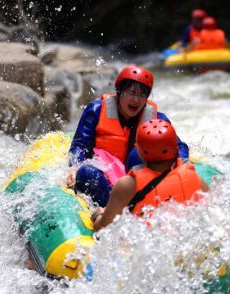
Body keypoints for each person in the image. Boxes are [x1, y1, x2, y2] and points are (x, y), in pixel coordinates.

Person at [67, 66, 189, 207]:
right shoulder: (96, 110)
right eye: (132, 92)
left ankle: (134, 207)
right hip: (104, 176)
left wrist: (182, 164)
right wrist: (75, 166)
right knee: (86, 173)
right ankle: (109, 210)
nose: (136, 100)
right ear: (119, 91)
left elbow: (178, 146)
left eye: (142, 94)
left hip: (135, 180)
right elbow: (81, 145)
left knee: (138, 155)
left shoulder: (156, 119)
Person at [93, 119, 208, 231]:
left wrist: (98, 216)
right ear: (175, 147)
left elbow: (104, 229)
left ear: (139, 152)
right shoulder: (195, 177)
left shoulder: (128, 184)